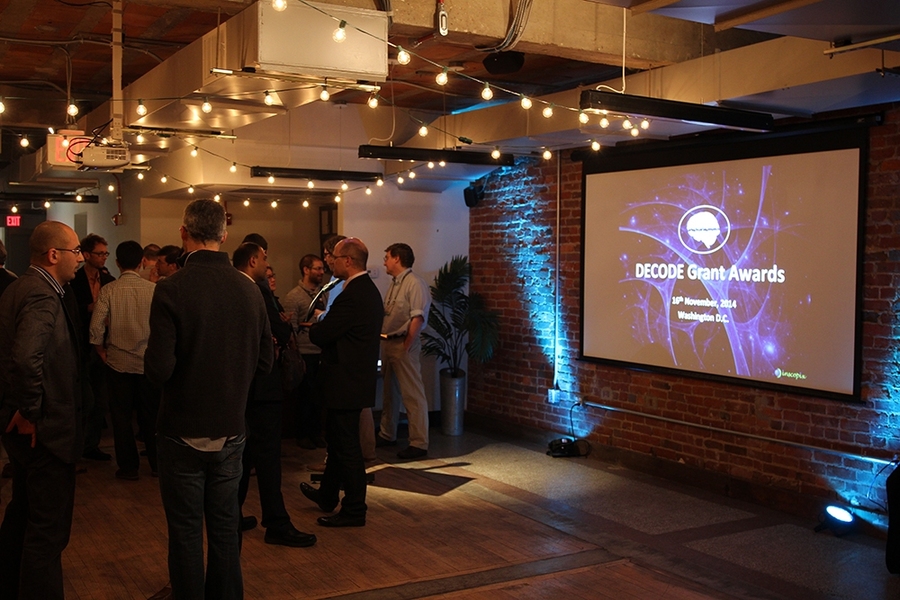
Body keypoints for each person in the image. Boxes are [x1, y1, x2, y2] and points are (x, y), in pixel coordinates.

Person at [145, 199, 273, 600]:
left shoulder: (171, 288)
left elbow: (159, 370)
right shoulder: (249, 289)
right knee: (224, 528)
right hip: (231, 429)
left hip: (181, 430)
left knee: (185, 532)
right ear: (225, 235)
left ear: (183, 232)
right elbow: (266, 362)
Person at [0, 221, 84, 599]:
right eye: (76, 251)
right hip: (45, 431)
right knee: (47, 534)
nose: (80, 259)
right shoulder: (41, 294)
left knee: (22, 517)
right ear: (54, 255)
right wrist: (31, 411)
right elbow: (24, 357)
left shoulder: (19, 286)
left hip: (26, 426)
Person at [232, 242, 316, 549]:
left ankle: (232, 515)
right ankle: (277, 523)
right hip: (263, 385)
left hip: (242, 385)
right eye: (265, 259)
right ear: (253, 260)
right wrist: (280, 329)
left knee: (245, 454)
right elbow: (279, 333)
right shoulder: (257, 289)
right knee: (266, 456)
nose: (268, 266)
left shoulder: (233, 287)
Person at [300, 237, 383, 527]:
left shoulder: (354, 294)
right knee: (338, 442)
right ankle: (327, 495)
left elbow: (323, 335)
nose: (331, 262)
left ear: (348, 260)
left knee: (347, 447)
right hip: (353, 380)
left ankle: (355, 509)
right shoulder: (366, 291)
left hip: (346, 382)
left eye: (334, 257)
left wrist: (317, 327)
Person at [89, 240, 159, 481]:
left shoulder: (109, 290)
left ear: (117, 263)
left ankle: (128, 468)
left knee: (120, 417)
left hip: (117, 363)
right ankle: (157, 464)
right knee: (150, 416)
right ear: (142, 262)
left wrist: (101, 352)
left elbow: (96, 327)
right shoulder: (153, 291)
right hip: (147, 364)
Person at [377, 243, 432, 460]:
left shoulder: (415, 284)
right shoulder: (395, 283)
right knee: (390, 391)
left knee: (412, 395)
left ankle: (419, 443)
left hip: (402, 344)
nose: (384, 262)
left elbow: (417, 317)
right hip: (388, 342)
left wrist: (407, 344)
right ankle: (387, 433)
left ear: (397, 258)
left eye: (387, 257)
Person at [71, 233, 115, 462]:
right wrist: (89, 308)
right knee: (84, 400)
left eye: (106, 253)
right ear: (86, 255)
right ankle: (79, 445)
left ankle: (92, 444)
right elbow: (70, 311)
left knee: (100, 399)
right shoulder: (74, 281)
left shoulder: (109, 281)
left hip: (105, 345)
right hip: (83, 346)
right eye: (100, 253)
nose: (103, 258)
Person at [283, 254, 327, 449]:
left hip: (322, 352)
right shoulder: (294, 296)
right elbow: (291, 329)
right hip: (305, 353)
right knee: (305, 397)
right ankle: (302, 434)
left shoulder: (324, 294)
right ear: (306, 270)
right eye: (317, 268)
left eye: (322, 268)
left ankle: (317, 433)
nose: (321, 272)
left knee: (319, 396)